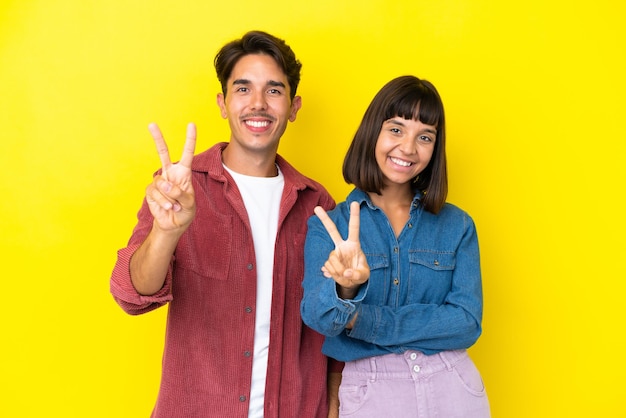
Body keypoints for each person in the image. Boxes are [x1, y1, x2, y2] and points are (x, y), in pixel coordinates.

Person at [110, 31, 340, 418]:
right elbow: (131, 295)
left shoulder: (317, 204)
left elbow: (330, 327)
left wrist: (333, 403)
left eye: (274, 91)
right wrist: (166, 232)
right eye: (243, 88)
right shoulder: (180, 188)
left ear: (294, 106)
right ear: (222, 102)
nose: (257, 104)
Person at [301, 75, 490, 417]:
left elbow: (466, 322)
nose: (408, 148)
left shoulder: (458, 226)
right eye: (396, 129)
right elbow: (319, 318)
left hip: (452, 385)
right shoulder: (330, 225)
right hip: (371, 389)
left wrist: (361, 322)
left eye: (425, 137)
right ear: (373, 131)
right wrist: (346, 291)